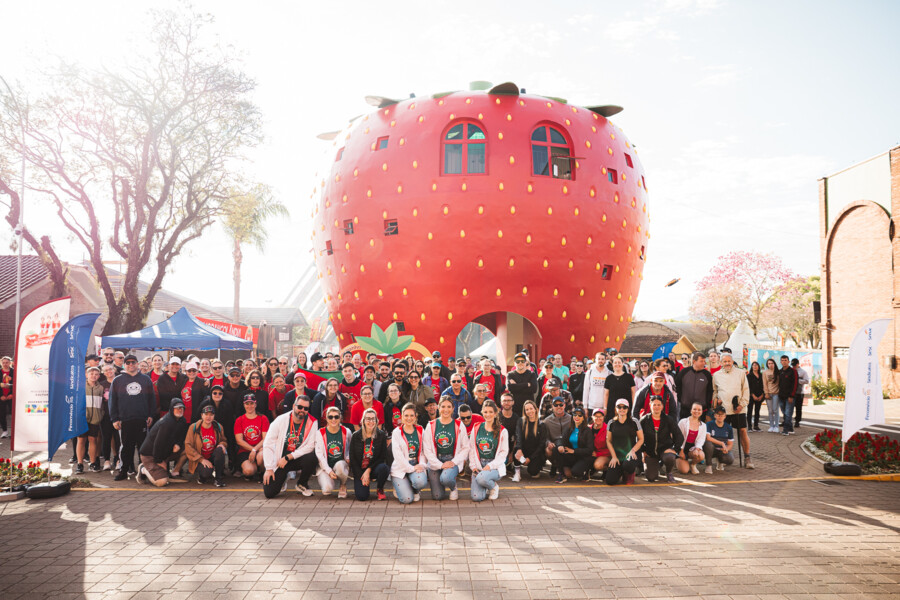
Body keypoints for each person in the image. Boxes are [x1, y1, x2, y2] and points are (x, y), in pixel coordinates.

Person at [109, 354, 156, 481]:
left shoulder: (146, 379)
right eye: (128, 362)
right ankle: (123, 471)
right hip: (125, 419)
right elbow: (112, 401)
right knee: (125, 447)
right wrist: (114, 418)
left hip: (142, 419)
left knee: (144, 447)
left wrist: (151, 414)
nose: (131, 365)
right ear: (124, 364)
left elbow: (152, 399)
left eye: (133, 362)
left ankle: (145, 471)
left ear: (137, 364)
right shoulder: (117, 380)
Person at [262, 394, 319, 498]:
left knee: (312, 458)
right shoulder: (280, 420)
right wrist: (269, 468)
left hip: (293, 458)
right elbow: (268, 444)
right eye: (300, 407)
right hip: (280, 461)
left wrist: (289, 457)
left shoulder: (312, 422)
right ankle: (284, 477)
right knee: (269, 493)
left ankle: (302, 484)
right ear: (293, 406)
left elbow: (310, 446)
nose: (302, 410)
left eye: (306, 408)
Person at [424, 397, 469, 501]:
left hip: (452, 460)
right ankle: (442, 480)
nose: (446, 409)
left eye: (449, 407)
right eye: (443, 406)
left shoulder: (459, 425)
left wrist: (453, 462)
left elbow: (465, 447)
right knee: (437, 496)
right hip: (435, 461)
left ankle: (453, 487)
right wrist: (440, 465)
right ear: (438, 407)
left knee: (446, 479)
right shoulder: (431, 425)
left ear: (453, 408)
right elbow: (427, 450)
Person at [712, 353, 753, 468]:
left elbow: (746, 390)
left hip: (738, 409)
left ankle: (747, 457)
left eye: (729, 361)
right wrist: (716, 400)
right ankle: (721, 459)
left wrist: (742, 404)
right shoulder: (716, 375)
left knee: (743, 432)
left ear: (732, 361)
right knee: (722, 434)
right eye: (724, 361)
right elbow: (715, 391)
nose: (727, 363)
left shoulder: (741, 373)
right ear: (721, 363)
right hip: (723, 411)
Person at [137, 400, 187, 487]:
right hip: (150, 455)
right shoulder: (166, 423)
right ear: (171, 409)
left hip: (163, 453)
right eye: (177, 408)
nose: (180, 410)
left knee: (188, 448)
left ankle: (174, 472)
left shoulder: (182, 420)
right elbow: (158, 444)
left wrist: (178, 444)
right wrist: (159, 461)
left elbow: (182, 436)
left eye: (182, 408)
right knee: (161, 482)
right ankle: (143, 469)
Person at [469, 399, 509, 501]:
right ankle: (484, 483)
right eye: (485, 412)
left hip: (494, 466)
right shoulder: (476, 427)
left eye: (491, 412)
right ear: (482, 412)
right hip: (479, 464)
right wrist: (473, 466)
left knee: (482, 478)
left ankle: (493, 487)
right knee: (477, 497)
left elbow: (503, 453)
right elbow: (472, 448)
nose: (488, 414)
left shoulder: (503, 430)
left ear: (495, 413)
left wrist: (490, 466)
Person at [639, 395, 683, 483]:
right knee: (651, 477)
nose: (656, 407)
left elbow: (679, 436)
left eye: (659, 405)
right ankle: (657, 466)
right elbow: (638, 437)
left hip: (664, 449)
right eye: (654, 405)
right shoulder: (644, 420)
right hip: (650, 452)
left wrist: (675, 449)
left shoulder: (668, 419)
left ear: (662, 406)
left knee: (670, 457)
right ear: (650, 405)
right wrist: (643, 450)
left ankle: (669, 472)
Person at [390, 403, 428, 504]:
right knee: (407, 499)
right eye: (406, 415)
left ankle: (415, 489)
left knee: (420, 482)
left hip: (416, 463)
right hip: (401, 467)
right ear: (402, 417)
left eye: (411, 415)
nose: (409, 418)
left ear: (415, 417)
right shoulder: (396, 432)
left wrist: (422, 465)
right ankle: (398, 484)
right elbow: (398, 457)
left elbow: (424, 452)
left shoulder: (420, 430)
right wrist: (411, 469)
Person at [349, 408, 390, 501]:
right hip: (360, 469)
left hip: (374, 468)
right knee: (362, 497)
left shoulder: (381, 435)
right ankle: (364, 482)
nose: (371, 421)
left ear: (376, 421)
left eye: (373, 419)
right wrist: (361, 475)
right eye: (368, 419)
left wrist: (368, 470)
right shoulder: (356, 435)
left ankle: (380, 489)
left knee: (384, 468)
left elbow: (382, 457)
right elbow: (353, 459)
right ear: (363, 421)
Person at [183, 404, 228, 487]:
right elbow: (188, 446)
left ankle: (218, 479)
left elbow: (223, 440)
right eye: (206, 414)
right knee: (206, 473)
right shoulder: (194, 427)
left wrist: (222, 444)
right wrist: (201, 460)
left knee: (220, 450)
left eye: (211, 414)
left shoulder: (218, 427)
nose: (208, 417)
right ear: (202, 415)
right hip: (199, 458)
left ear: (214, 416)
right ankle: (202, 476)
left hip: (212, 456)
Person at [315, 406, 351, 498]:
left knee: (340, 466)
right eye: (330, 417)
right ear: (326, 418)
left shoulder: (346, 431)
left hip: (340, 464)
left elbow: (350, 448)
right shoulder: (320, 433)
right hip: (325, 467)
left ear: (340, 418)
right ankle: (329, 480)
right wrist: (329, 471)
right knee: (327, 490)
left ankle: (343, 484)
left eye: (336, 417)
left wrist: (348, 457)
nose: (333, 419)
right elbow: (319, 455)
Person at [196, 385, 236, 470]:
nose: (217, 395)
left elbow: (230, 420)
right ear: (211, 394)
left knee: (230, 439)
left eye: (220, 393)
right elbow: (197, 417)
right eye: (214, 393)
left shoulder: (227, 404)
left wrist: (225, 433)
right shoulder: (205, 403)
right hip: (208, 427)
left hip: (225, 427)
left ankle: (231, 462)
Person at [605, 399, 644, 485]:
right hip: (618, 455)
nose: (622, 409)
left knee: (628, 465)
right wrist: (614, 457)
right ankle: (621, 472)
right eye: (619, 407)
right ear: (616, 408)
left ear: (628, 409)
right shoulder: (611, 422)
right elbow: (608, 441)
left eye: (624, 407)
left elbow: (641, 439)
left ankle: (630, 473)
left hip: (631, 453)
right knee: (610, 481)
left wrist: (633, 451)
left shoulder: (634, 421)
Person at [552, 407, 593, 483]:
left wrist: (574, 451)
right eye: (575, 415)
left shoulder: (587, 431)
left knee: (575, 473)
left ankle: (586, 471)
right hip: (572, 456)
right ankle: (561, 474)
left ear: (583, 418)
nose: (577, 417)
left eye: (580, 415)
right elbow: (560, 440)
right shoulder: (569, 428)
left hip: (583, 457)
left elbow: (589, 450)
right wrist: (560, 445)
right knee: (555, 449)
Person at [76, 366, 104, 473]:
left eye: (96, 374)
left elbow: (102, 404)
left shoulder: (101, 388)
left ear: (99, 376)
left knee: (93, 440)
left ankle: (93, 463)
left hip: (95, 419)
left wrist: (101, 414)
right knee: (81, 440)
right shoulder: (80, 387)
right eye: (91, 374)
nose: (94, 376)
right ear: (86, 375)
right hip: (82, 418)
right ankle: (79, 464)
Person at [234, 394, 269, 479]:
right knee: (248, 471)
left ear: (255, 404)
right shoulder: (239, 420)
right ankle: (254, 468)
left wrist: (255, 449)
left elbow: (265, 438)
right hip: (245, 450)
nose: (249, 406)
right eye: (247, 404)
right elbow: (239, 441)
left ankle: (262, 471)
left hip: (260, 448)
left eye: (252, 403)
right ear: (244, 405)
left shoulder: (263, 418)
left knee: (261, 456)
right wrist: (252, 450)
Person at [673, 352, 713, 420]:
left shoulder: (707, 375)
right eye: (701, 361)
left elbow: (710, 391)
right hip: (685, 409)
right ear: (694, 361)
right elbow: (677, 386)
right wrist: (681, 400)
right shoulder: (684, 372)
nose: (704, 363)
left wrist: (706, 404)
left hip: (700, 410)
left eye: (704, 361)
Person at [513, 400, 546, 480]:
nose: (529, 411)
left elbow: (541, 445)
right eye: (527, 410)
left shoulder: (541, 424)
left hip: (536, 453)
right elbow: (518, 436)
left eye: (531, 408)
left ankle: (538, 466)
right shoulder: (521, 421)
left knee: (533, 472)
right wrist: (519, 449)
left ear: (535, 409)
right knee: (516, 451)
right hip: (524, 450)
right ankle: (517, 473)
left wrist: (530, 458)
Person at [543, 396, 573, 481]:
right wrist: (548, 442)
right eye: (556, 405)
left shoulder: (571, 419)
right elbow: (545, 437)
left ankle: (563, 467)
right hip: (554, 446)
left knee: (569, 474)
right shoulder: (547, 421)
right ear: (552, 407)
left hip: (567, 447)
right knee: (548, 450)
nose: (558, 407)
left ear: (564, 405)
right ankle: (555, 465)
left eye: (561, 404)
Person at [676, 403, 708, 475]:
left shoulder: (703, 425)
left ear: (702, 412)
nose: (696, 411)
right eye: (694, 409)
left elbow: (701, 440)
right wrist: (681, 451)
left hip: (692, 449)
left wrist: (697, 449)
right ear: (691, 410)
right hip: (681, 448)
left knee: (701, 455)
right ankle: (679, 462)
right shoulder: (683, 422)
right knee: (684, 471)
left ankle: (692, 464)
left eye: (699, 410)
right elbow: (678, 438)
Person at [603, 357, 635, 421]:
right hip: (612, 408)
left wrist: (634, 407)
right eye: (615, 363)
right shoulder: (609, 378)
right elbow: (606, 394)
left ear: (622, 364)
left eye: (619, 362)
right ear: (612, 364)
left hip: (626, 408)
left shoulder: (629, 377)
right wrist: (605, 408)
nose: (617, 364)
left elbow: (633, 393)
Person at [704, 406, 735, 473]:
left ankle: (720, 461)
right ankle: (709, 465)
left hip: (721, 450)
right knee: (708, 444)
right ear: (715, 415)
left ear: (725, 416)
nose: (720, 416)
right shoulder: (709, 424)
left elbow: (730, 444)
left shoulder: (729, 427)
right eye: (718, 414)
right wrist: (721, 443)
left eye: (722, 415)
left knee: (730, 459)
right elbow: (708, 437)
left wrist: (726, 449)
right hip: (711, 449)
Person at [498, 392, 520, 476]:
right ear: (501, 402)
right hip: (499, 449)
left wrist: (511, 453)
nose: (506, 403)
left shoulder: (517, 418)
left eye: (509, 400)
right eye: (504, 401)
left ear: (513, 402)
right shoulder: (497, 417)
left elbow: (517, 437)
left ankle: (512, 464)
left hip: (511, 448)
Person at [776, 355, 798, 435]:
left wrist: (791, 396)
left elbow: (795, 384)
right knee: (785, 413)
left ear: (788, 361)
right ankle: (791, 429)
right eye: (782, 360)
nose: (784, 361)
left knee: (788, 413)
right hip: (781, 396)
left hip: (789, 397)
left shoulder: (793, 371)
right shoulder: (780, 371)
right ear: (780, 362)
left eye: (785, 360)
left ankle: (785, 430)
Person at [583, 353, 609, 418]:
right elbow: (586, 390)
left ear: (605, 360)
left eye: (602, 359)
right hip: (591, 406)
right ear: (595, 360)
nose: (600, 361)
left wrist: (606, 407)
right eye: (599, 359)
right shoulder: (590, 372)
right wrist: (585, 407)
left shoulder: (608, 373)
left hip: (604, 407)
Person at [589, 409, 611, 478]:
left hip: (606, 454)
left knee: (598, 465)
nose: (598, 418)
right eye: (596, 416)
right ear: (592, 417)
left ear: (603, 417)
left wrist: (598, 454)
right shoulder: (588, 428)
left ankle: (607, 470)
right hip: (592, 453)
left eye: (600, 416)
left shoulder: (608, 429)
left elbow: (612, 448)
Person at [763, 358, 780, 432]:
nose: (770, 365)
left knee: (775, 410)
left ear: (774, 364)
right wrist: (766, 393)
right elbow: (765, 383)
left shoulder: (778, 372)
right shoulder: (765, 372)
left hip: (776, 394)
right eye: (769, 363)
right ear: (767, 364)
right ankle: (771, 426)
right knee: (770, 411)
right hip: (769, 394)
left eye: (772, 363)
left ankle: (776, 426)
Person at [746, 361, 764, 432]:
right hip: (751, 396)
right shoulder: (749, 376)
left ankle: (756, 426)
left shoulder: (761, 375)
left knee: (757, 411)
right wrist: (752, 395)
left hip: (760, 395)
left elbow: (763, 385)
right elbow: (748, 387)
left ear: (758, 367)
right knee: (749, 411)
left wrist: (762, 395)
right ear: (752, 367)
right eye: (753, 365)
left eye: (756, 365)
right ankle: (749, 426)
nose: (755, 366)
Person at [792, 358, 809, 429]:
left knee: (798, 408)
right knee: (789, 407)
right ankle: (786, 421)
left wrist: (798, 380)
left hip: (799, 392)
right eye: (792, 365)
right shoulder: (791, 371)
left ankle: (797, 421)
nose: (793, 366)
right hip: (791, 392)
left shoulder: (803, 372)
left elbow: (807, 381)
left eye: (794, 365)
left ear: (798, 364)